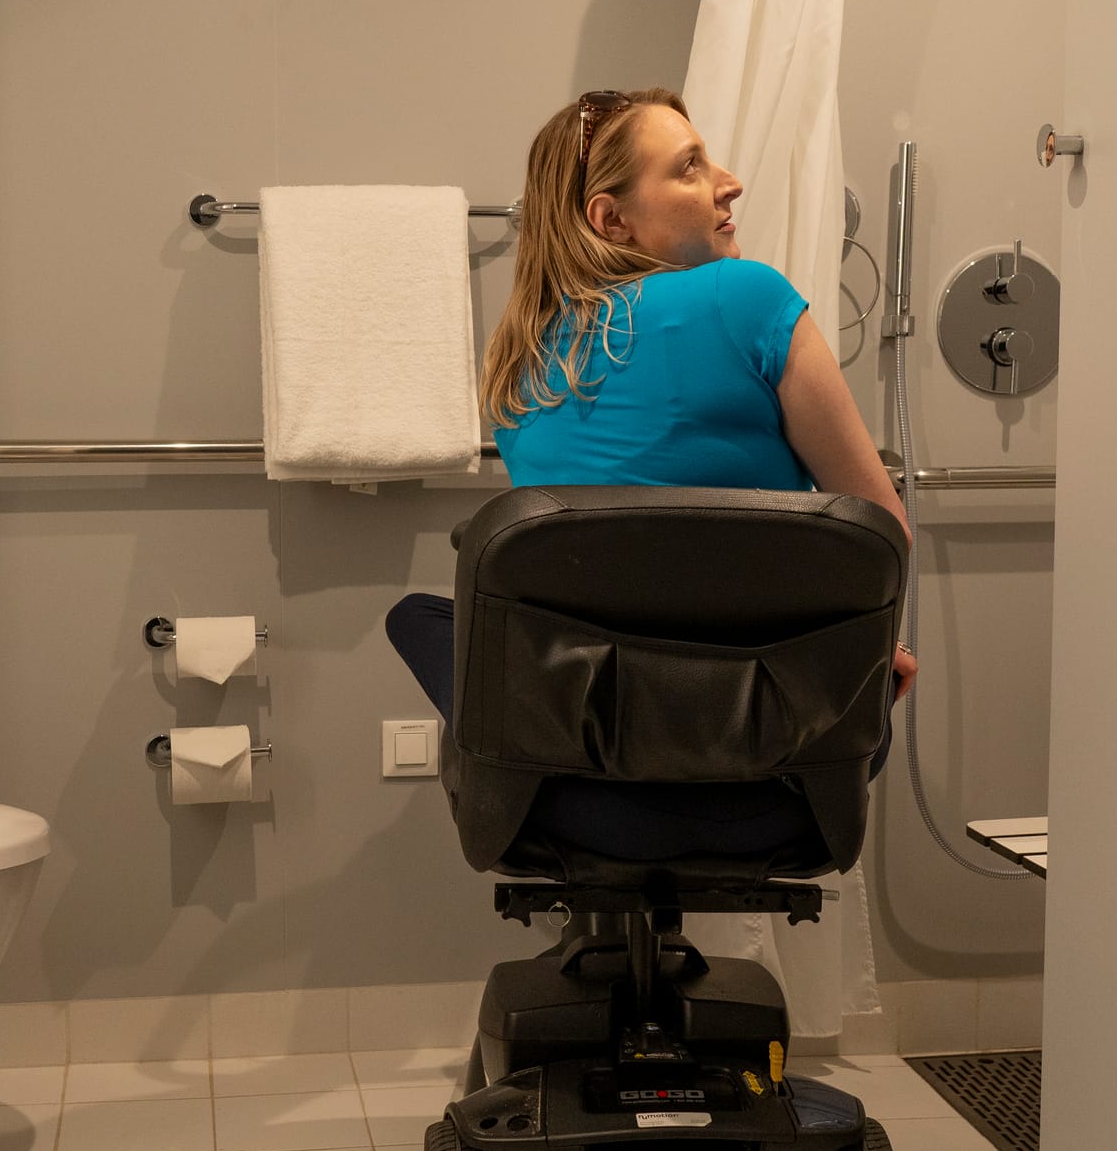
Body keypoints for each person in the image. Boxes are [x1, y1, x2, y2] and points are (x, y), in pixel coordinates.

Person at [386, 86, 914, 848]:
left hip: (571, 796)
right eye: (692, 167)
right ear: (610, 218)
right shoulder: (751, 296)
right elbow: (883, 539)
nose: (728, 182)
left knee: (425, 617)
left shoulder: (516, 368)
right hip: (783, 785)